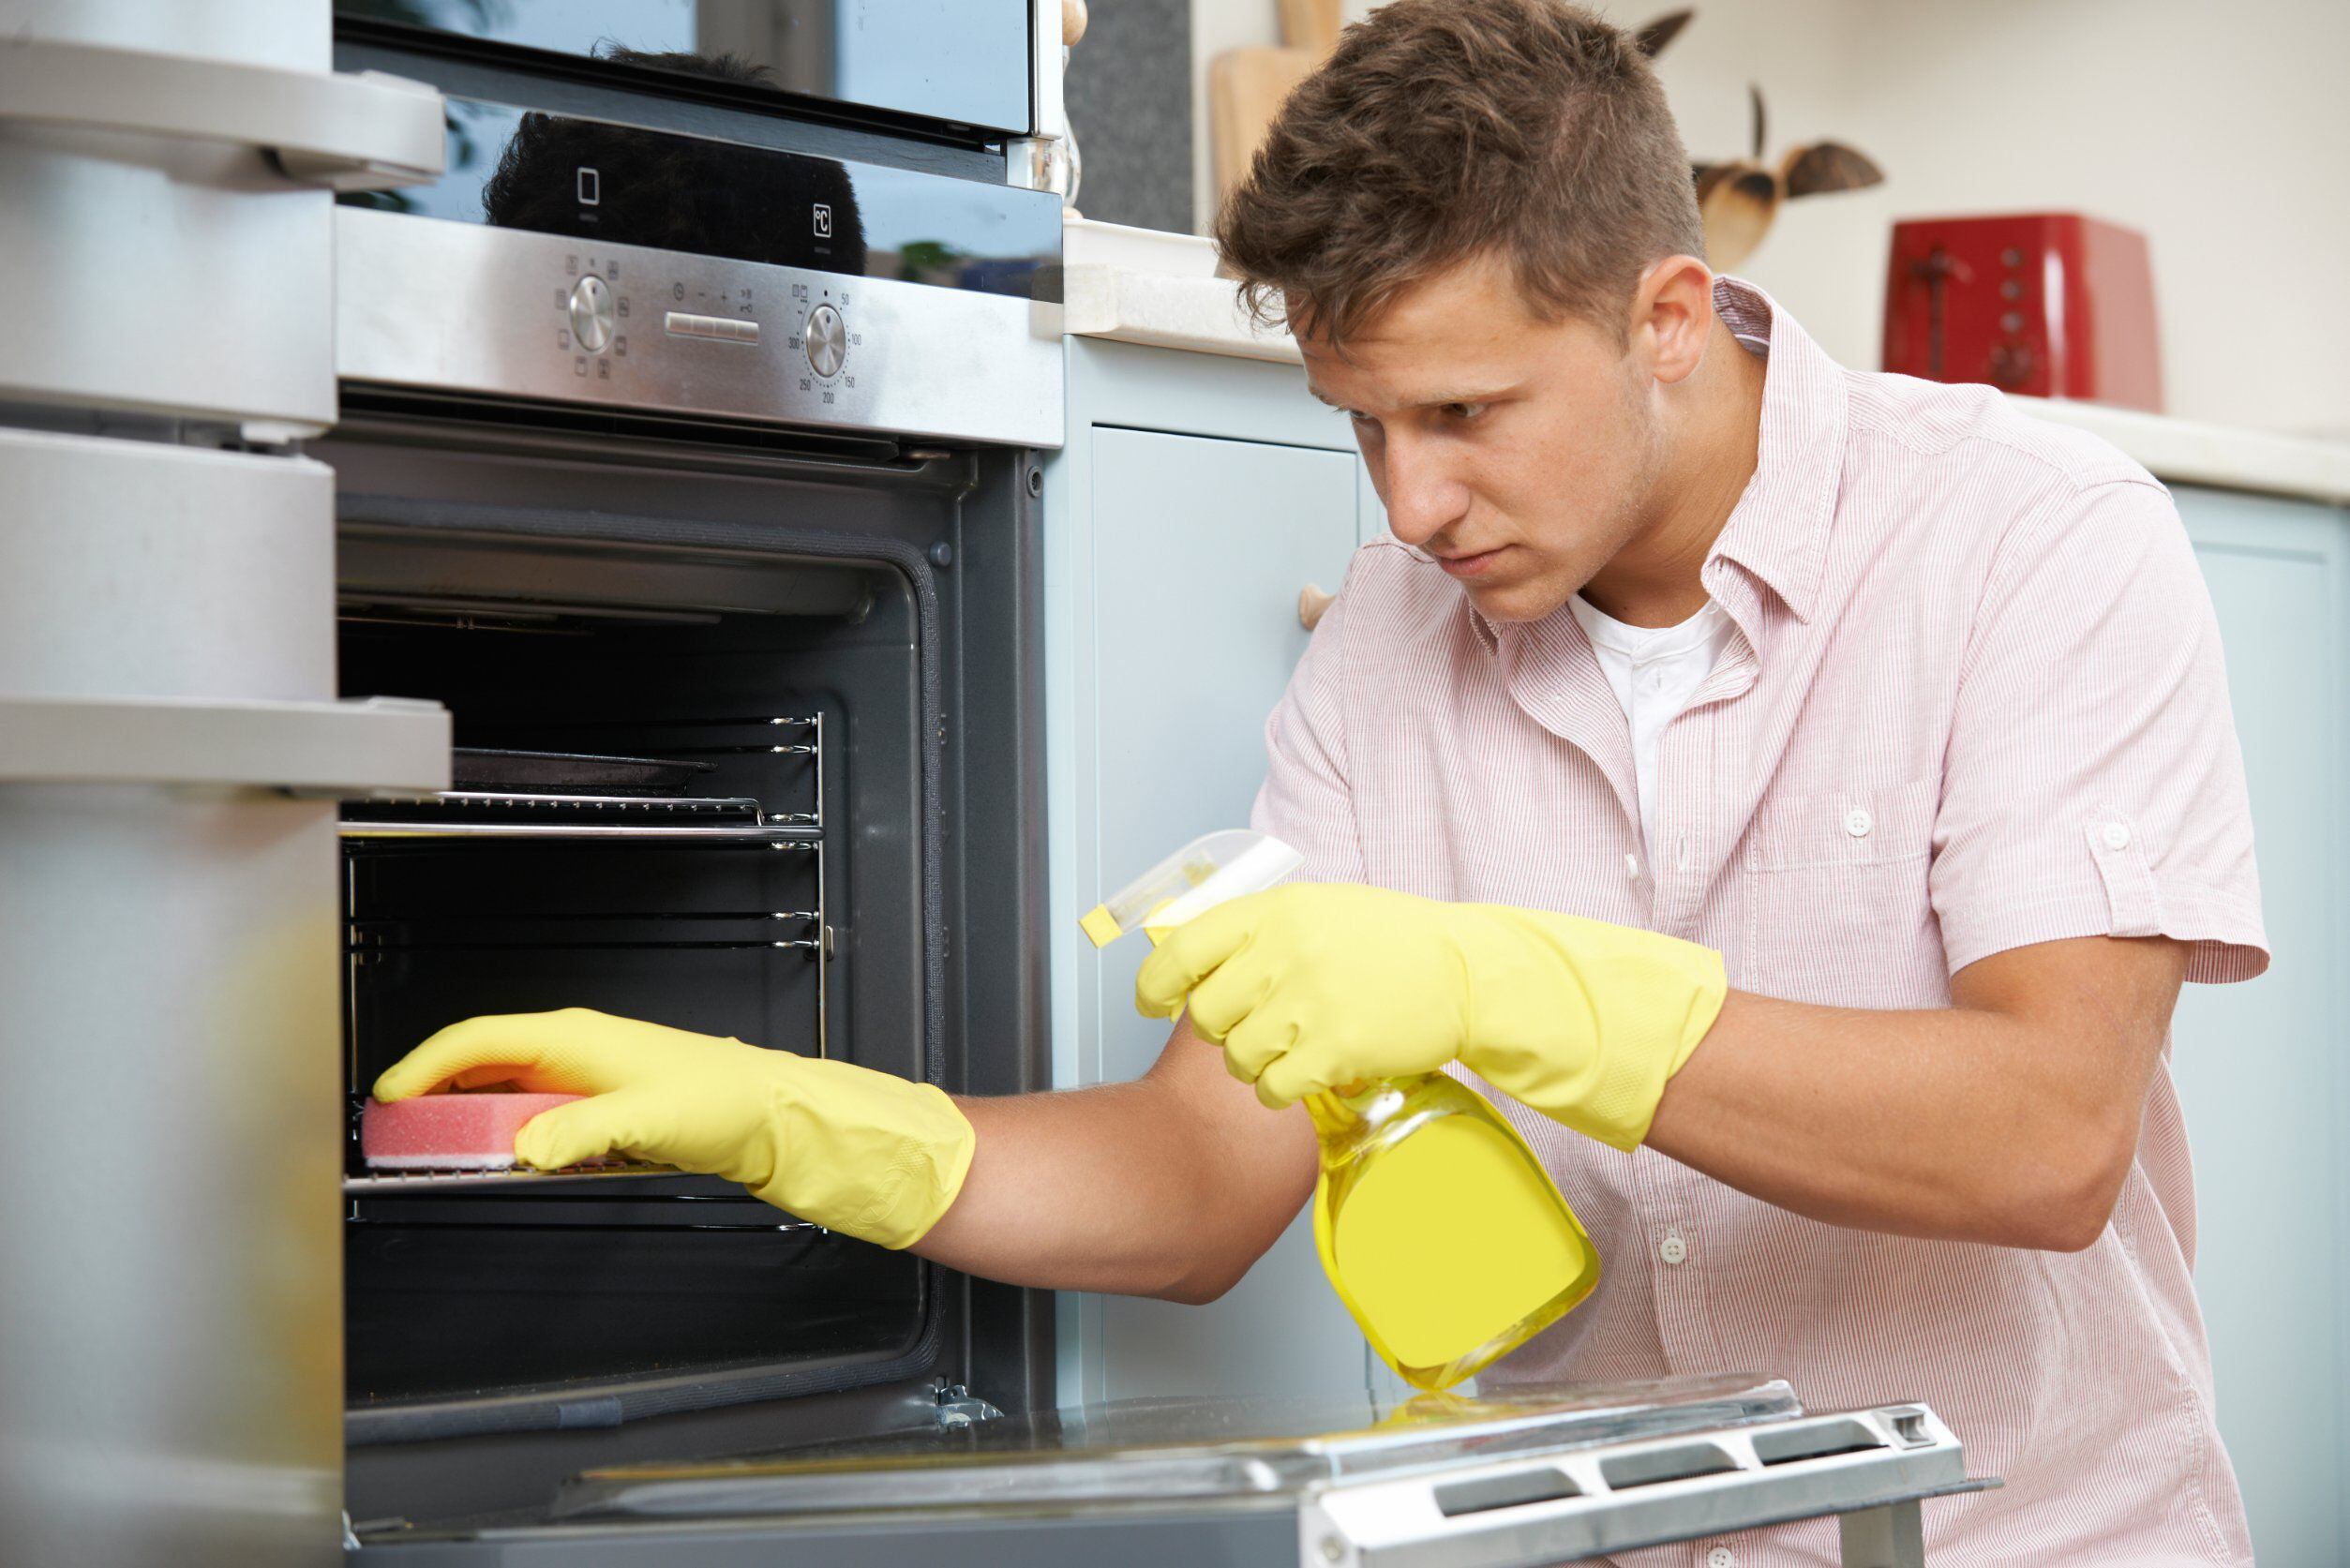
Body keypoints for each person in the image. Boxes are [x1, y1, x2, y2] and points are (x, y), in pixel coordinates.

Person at [375, 2, 2265, 1560]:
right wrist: (766, 1110)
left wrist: (1499, 986)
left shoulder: (2029, 537)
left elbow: (2044, 1138)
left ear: (1666, 319)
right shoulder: (1390, 641)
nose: (1411, 504)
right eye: (1361, 425)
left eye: (1465, 414)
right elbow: (1200, 1187)